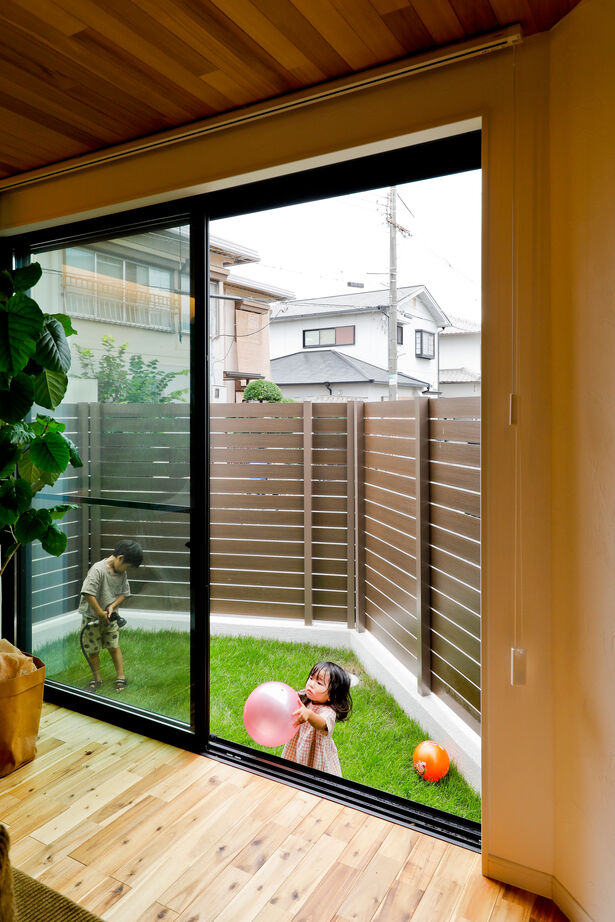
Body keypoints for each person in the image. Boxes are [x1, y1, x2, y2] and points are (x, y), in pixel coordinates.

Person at [79, 539, 143, 692]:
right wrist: (99, 613)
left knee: (114, 646)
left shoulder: (121, 572)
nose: (125, 570)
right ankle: (97, 679)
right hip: (91, 617)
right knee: (93, 649)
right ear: (120, 558)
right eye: (127, 566)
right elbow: (88, 593)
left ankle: (120, 677)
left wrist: (112, 606)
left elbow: (124, 593)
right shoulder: (98, 570)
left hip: (110, 617)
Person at [281, 661, 352, 776]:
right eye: (311, 678)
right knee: (292, 771)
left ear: (332, 695)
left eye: (319, 683)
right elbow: (290, 698)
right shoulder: (305, 697)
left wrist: (309, 714)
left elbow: (322, 723)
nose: (311, 684)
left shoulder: (328, 712)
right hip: (298, 744)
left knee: (316, 777)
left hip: (317, 753)